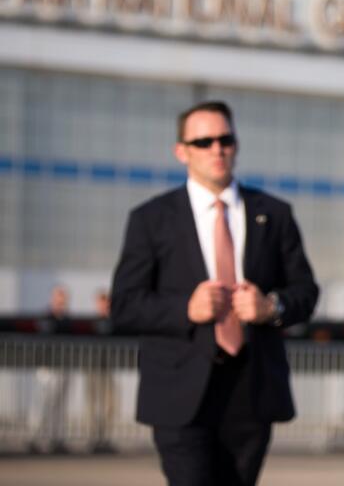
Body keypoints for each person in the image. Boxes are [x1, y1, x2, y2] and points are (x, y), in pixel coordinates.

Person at [111, 100, 319, 486]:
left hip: (251, 391)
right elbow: (124, 305)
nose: (217, 149)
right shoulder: (151, 219)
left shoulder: (273, 214)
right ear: (182, 151)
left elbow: (306, 292)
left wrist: (270, 306)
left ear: (236, 144)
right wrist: (185, 310)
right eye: (204, 141)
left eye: (225, 139)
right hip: (180, 394)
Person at [32, 284, 71, 454]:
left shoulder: (67, 320)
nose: (61, 301)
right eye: (58, 297)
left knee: (60, 406)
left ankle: (57, 439)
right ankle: (35, 438)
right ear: (53, 298)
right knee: (43, 405)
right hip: (48, 368)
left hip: (64, 367)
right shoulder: (45, 318)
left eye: (63, 298)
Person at [86, 289, 118, 453]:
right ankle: (94, 438)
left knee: (110, 404)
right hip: (92, 369)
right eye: (102, 301)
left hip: (107, 369)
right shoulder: (91, 323)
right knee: (93, 404)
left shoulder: (114, 322)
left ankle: (105, 438)